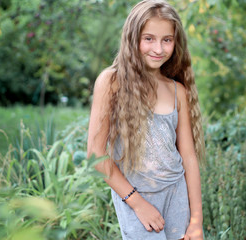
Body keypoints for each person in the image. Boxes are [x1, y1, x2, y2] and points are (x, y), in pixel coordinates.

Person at [87, 0, 205, 239]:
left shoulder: (177, 91)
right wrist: (138, 203)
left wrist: (196, 221)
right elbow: (95, 155)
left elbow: (189, 157)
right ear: (132, 38)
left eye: (167, 40)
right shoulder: (112, 82)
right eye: (148, 38)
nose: (159, 49)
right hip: (135, 195)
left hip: (176, 195)